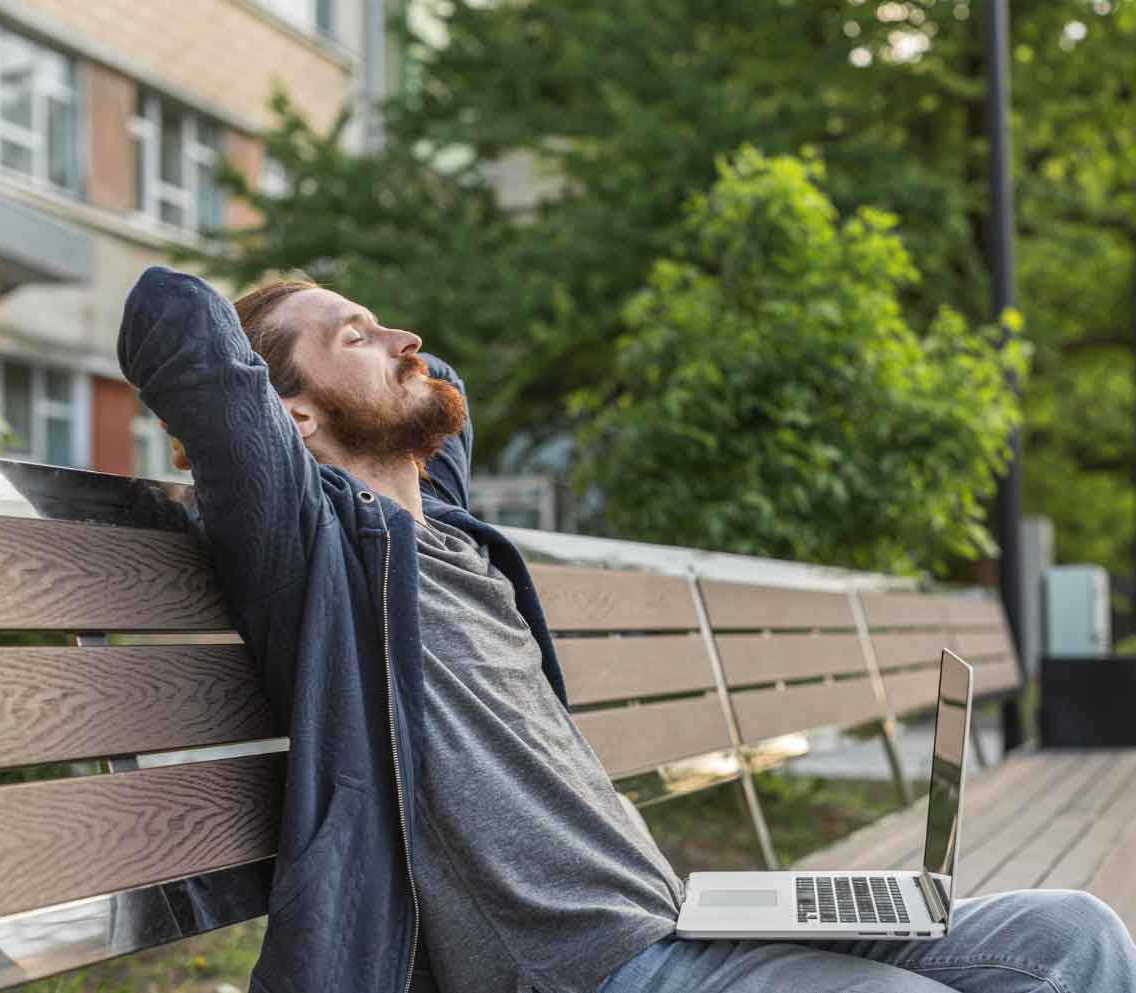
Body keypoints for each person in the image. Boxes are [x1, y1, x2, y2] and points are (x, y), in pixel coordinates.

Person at [119, 266, 1136, 993]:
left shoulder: (464, 547)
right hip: (596, 970)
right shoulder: (313, 556)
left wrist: (379, 363)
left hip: (688, 918)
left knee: (1076, 938)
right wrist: (304, 374)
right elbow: (176, 324)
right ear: (288, 419)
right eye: (357, 335)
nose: (404, 341)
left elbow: (449, 401)